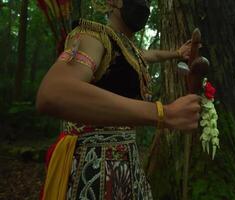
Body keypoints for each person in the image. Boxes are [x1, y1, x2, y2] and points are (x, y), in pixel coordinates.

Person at [36, 0, 201, 199]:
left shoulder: (129, 50)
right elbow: (53, 92)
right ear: (112, 2)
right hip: (92, 168)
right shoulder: (92, 37)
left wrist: (177, 53)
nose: (145, 5)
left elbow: (151, 55)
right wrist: (163, 113)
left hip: (129, 168)